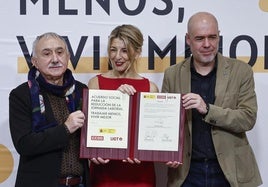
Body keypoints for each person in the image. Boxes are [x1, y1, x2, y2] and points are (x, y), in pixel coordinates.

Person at [162, 12, 262, 187]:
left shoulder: (241, 71)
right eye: (200, 38)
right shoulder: (172, 74)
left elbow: (247, 118)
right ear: (188, 39)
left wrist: (208, 109)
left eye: (212, 37)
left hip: (231, 172)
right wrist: (167, 153)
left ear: (219, 36)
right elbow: (164, 123)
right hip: (187, 174)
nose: (207, 44)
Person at [9, 32, 90, 187]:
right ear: (35, 61)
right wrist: (65, 128)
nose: (55, 59)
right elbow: (24, 144)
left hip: (79, 182)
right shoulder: (21, 95)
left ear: (67, 57)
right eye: (46, 54)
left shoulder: (81, 90)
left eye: (60, 52)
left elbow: (90, 135)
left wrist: (98, 153)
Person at [87, 24, 159, 187]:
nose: (117, 56)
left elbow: (152, 133)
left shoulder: (150, 88)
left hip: (141, 173)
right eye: (113, 49)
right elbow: (90, 131)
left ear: (138, 52)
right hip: (105, 173)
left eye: (124, 50)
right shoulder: (96, 83)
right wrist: (115, 100)